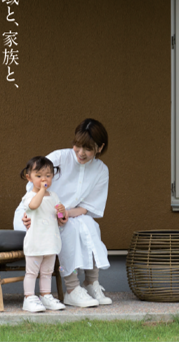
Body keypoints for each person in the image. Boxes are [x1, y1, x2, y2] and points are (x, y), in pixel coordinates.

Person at [14, 118, 112, 308]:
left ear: (100, 147)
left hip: (63, 215)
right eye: (78, 145)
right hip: (35, 215)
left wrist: (66, 212)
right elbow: (32, 190)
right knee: (67, 229)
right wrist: (30, 214)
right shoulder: (58, 158)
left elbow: (87, 207)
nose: (81, 152)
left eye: (88, 148)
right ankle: (72, 288)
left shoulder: (101, 170)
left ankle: (91, 282)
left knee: (90, 224)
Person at [20, 155, 67, 312]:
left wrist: (62, 212)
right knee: (32, 272)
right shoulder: (29, 196)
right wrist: (41, 190)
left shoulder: (53, 196)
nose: (44, 179)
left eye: (48, 175)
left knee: (47, 272)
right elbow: (34, 205)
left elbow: (59, 218)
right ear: (29, 178)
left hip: (50, 242)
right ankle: (28, 298)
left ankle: (46, 296)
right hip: (35, 242)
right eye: (38, 176)